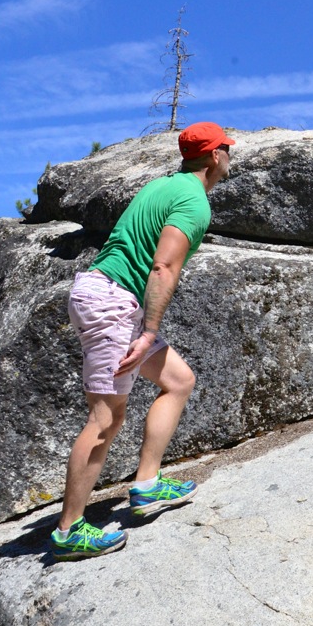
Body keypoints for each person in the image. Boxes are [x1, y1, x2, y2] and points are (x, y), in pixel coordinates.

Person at [50, 121, 234, 560]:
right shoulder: (192, 201)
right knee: (105, 418)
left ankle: (147, 486)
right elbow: (162, 268)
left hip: (107, 297)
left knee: (178, 380)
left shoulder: (162, 187)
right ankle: (68, 530)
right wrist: (149, 330)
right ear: (213, 155)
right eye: (228, 146)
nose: (232, 153)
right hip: (114, 301)